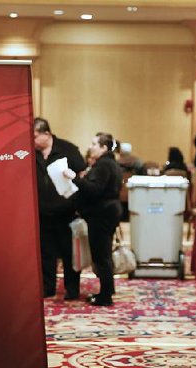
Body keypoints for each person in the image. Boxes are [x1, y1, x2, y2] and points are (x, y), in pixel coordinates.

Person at [33, 117, 87, 300]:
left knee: (69, 254)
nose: (31, 141)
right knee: (46, 254)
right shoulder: (30, 153)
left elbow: (82, 174)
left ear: (46, 134)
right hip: (42, 213)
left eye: (34, 137)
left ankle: (72, 290)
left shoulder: (67, 149)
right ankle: (48, 288)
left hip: (67, 212)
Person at [67, 132, 123, 306]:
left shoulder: (104, 164)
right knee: (103, 255)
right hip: (106, 212)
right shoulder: (109, 163)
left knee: (101, 256)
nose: (91, 147)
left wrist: (74, 178)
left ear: (104, 148)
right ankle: (107, 290)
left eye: (94, 144)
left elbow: (94, 189)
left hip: (102, 214)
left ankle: (105, 296)